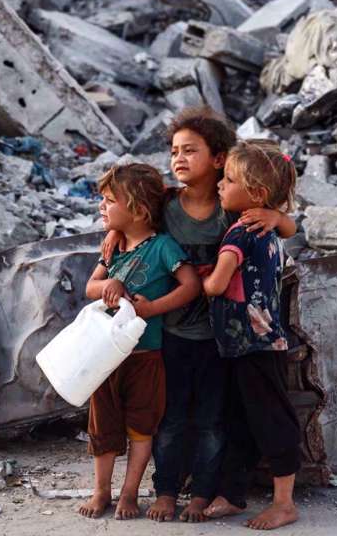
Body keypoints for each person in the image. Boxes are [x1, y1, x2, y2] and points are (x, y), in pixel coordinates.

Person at [105, 106, 297, 523]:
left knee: (217, 419)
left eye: (190, 150)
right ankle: (169, 489)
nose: (178, 158)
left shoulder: (235, 207)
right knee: (170, 416)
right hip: (172, 332)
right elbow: (132, 218)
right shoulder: (166, 206)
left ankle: (207, 492)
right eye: (174, 150)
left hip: (221, 339)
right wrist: (116, 232)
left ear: (218, 160)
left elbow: (286, 228)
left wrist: (278, 217)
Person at [79, 163, 201, 520]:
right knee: (102, 428)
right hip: (106, 357)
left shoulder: (162, 247)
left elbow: (191, 285)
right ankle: (101, 490)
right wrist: (110, 286)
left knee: (141, 427)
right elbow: (91, 288)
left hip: (146, 355)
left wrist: (152, 309)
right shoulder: (113, 247)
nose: (102, 206)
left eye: (109, 200)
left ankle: (129, 493)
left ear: (138, 210)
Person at [202, 139, 301, 530]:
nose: (220, 186)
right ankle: (232, 494)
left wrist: (199, 276)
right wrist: (276, 215)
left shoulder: (240, 235)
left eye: (228, 180)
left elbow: (216, 285)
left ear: (256, 195)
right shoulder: (267, 229)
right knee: (242, 418)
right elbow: (289, 224)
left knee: (271, 420)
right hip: (248, 343)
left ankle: (284, 503)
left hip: (252, 343)